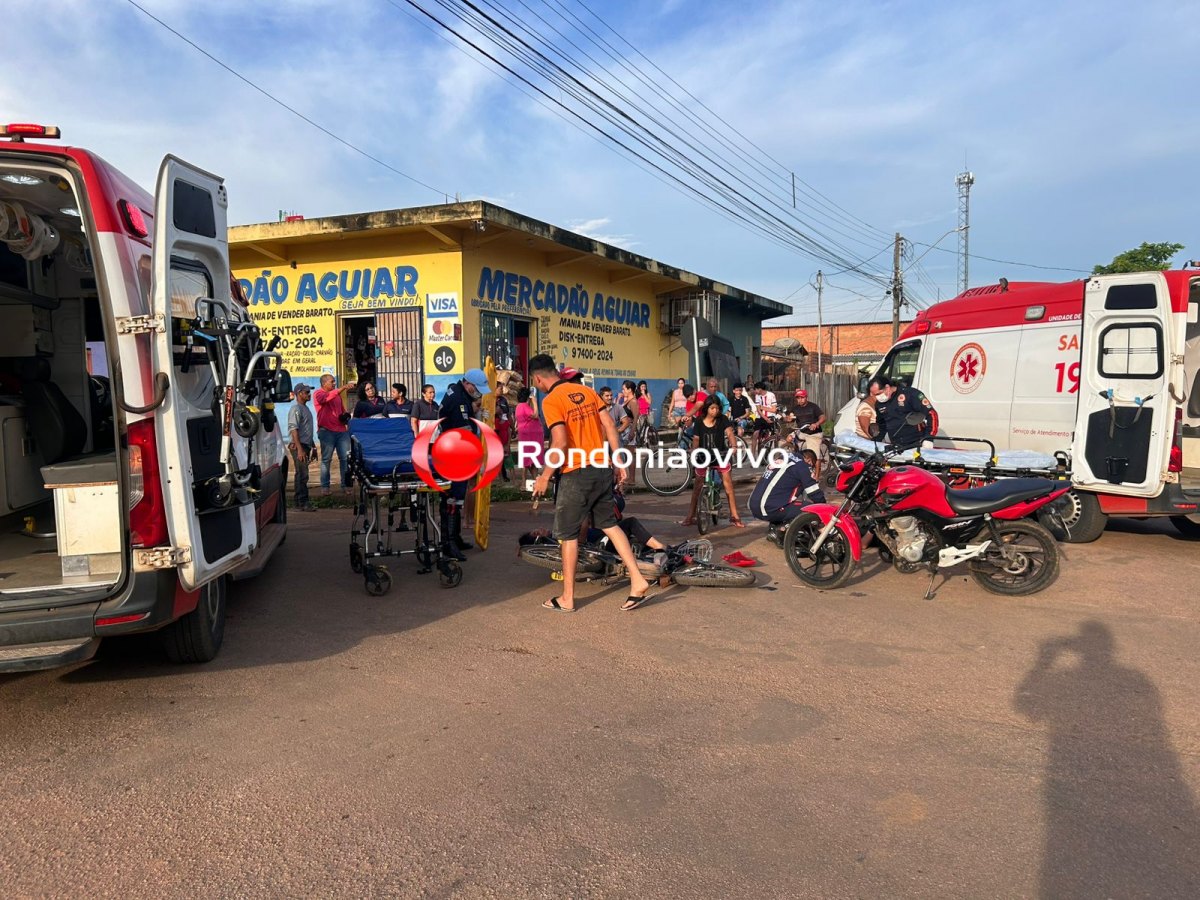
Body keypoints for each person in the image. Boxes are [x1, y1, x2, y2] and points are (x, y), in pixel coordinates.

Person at [529, 353, 652, 613]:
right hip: (601, 469)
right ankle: (638, 580)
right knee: (609, 525)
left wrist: (544, 475)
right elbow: (609, 424)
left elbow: (560, 442)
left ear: (538, 378)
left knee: (569, 535)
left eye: (534, 381)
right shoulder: (586, 391)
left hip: (576, 473)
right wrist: (618, 461)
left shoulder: (551, 401)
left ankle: (567, 598)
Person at [437, 368, 491, 561]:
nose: (478, 393)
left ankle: (455, 538)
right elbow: (465, 431)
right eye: (477, 388)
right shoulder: (459, 400)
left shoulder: (457, 392)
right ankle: (448, 543)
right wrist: (479, 423)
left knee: (456, 497)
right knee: (453, 498)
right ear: (468, 384)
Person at [749, 435, 827, 546]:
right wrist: (824, 509)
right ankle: (780, 530)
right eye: (812, 466)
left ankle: (773, 527)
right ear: (809, 461)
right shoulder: (802, 466)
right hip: (768, 508)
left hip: (754, 504)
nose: (812, 469)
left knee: (783, 498)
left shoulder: (785, 457)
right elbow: (814, 493)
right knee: (810, 509)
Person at [681, 395, 745, 528]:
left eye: (717, 408)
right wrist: (694, 450)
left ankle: (734, 516)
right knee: (697, 485)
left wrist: (734, 446)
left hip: (720, 455)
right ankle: (690, 516)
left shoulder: (723, 419)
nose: (714, 411)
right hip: (703, 456)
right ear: (707, 408)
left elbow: (730, 434)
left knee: (728, 485)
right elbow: (696, 439)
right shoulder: (699, 421)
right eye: (712, 408)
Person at [313, 373, 353, 494]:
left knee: (345, 459)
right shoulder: (318, 393)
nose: (334, 384)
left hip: (341, 431)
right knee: (326, 459)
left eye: (334, 381)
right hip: (326, 431)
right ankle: (325, 486)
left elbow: (342, 410)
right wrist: (343, 388)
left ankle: (345, 485)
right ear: (324, 383)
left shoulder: (337, 396)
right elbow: (326, 398)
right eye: (332, 381)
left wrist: (346, 417)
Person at [871, 376, 935, 450]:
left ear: (887, 387)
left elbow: (932, 414)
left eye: (878, 393)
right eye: (874, 395)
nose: (877, 397)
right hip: (897, 446)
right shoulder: (879, 404)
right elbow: (881, 425)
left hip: (917, 443)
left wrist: (929, 438)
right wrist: (876, 441)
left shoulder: (910, 394)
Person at [286, 383, 316, 511]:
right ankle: (302, 502)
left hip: (305, 445)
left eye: (309, 392)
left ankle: (300, 502)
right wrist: (300, 449)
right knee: (302, 474)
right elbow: (294, 429)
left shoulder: (305, 408)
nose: (309, 394)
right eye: (306, 392)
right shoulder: (296, 409)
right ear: (299, 394)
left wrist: (313, 447)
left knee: (302, 474)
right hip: (299, 446)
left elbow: (306, 430)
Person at [789, 388, 826, 464]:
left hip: (813, 433)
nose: (800, 400)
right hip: (802, 431)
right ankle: (797, 456)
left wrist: (816, 424)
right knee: (789, 438)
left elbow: (823, 417)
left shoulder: (813, 406)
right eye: (798, 398)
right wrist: (787, 418)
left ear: (806, 397)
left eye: (802, 397)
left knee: (814, 456)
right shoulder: (795, 408)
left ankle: (816, 475)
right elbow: (791, 419)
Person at [515, 386, 543, 478]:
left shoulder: (519, 406)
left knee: (528, 458)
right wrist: (535, 402)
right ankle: (524, 482)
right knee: (529, 459)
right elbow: (535, 415)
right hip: (531, 437)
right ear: (528, 397)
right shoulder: (524, 406)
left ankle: (534, 479)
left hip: (528, 435)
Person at [494, 388, 512, 482]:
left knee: (505, 459)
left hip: (504, 441)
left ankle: (505, 476)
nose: (502, 390)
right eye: (500, 388)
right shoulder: (494, 420)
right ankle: (501, 477)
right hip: (497, 442)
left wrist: (507, 444)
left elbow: (508, 416)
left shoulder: (504, 400)